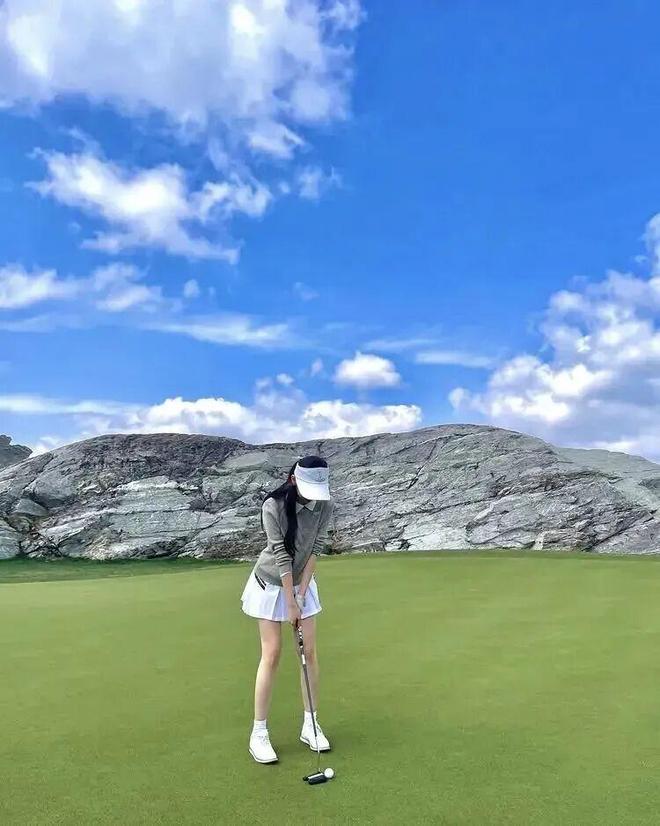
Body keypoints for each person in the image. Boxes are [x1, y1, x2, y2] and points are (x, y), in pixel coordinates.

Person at [241, 455, 334, 764]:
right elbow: (281, 555)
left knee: (309, 653)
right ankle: (259, 733)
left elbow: (315, 548)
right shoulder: (273, 506)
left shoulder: (325, 505)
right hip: (270, 583)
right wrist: (290, 602)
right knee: (272, 653)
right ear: (293, 480)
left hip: (301, 583)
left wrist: (302, 593)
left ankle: (310, 725)